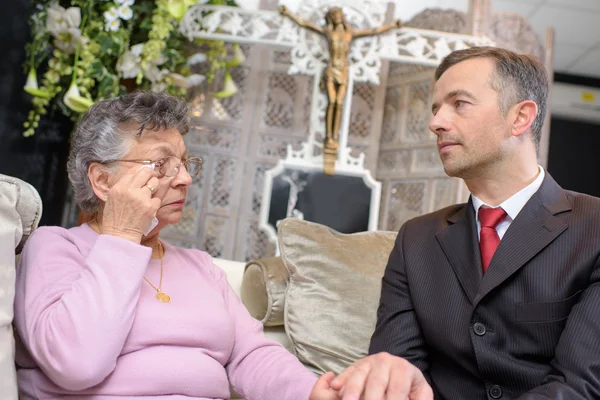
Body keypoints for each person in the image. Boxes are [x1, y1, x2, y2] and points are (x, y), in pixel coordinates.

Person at [13, 91, 354, 399]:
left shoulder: (200, 267)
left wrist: (311, 392)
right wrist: (121, 233)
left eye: (185, 163)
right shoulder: (55, 247)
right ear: (103, 180)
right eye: (162, 164)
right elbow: (77, 364)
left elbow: (251, 354)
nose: (185, 178)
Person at [330, 46, 600, 399]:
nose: (436, 123)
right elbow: (397, 371)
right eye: (436, 108)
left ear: (520, 118)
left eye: (459, 104)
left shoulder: (593, 228)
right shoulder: (417, 239)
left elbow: (579, 387)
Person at [279, 5, 401, 171]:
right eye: (334, 14)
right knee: (332, 101)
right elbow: (305, 23)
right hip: (331, 69)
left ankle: (334, 137)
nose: (337, 16)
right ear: (330, 17)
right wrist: (289, 13)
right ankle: (329, 137)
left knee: (339, 103)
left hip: (343, 70)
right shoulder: (328, 32)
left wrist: (392, 25)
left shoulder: (350, 33)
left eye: (339, 14)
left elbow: (374, 30)